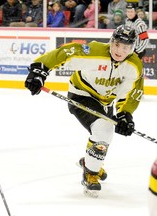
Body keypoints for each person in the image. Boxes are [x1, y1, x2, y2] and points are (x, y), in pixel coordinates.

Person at [24, 24, 144, 197]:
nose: (120, 50)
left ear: (132, 49)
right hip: (81, 95)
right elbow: (66, 52)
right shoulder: (95, 51)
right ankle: (90, 173)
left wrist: (125, 114)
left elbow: (133, 93)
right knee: (104, 130)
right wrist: (40, 69)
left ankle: (89, 162)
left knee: (104, 136)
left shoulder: (134, 65)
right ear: (111, 42)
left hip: (106, 103)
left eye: (126, 47)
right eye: (117, 44)